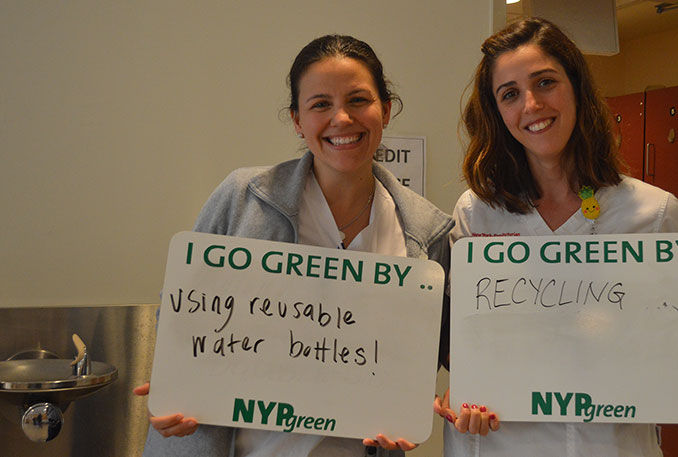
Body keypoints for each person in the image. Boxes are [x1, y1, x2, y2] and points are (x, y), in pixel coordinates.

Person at [432, 17, 678, 456]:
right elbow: (465, 344)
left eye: (545, 82)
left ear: (577, 88)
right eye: (509, 94)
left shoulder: (652, 213)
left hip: (611, 444)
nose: (531, 104)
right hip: (501, 444)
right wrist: (463, 390)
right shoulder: (477, 213)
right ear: (496, 112)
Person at [134, 34, 453, 457]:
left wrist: (413, 410)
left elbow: (426, 358)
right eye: (320, 104)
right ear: (298, 121)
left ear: (386, 109)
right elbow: (185, 318)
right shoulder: (242, 197)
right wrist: (177, 389)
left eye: (358, 100)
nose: (342, 118)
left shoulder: (427, 231)